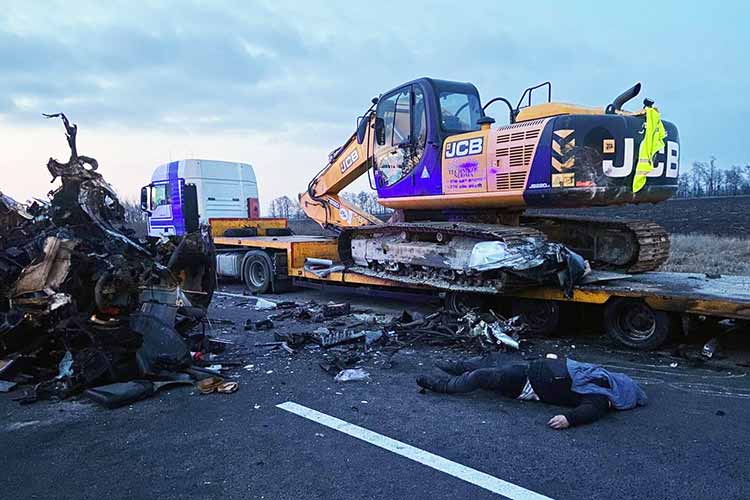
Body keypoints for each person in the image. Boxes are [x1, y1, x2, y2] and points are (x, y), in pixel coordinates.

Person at [416, 354, 647, 429]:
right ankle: (453, 366)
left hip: (528, 385)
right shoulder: (597, 374)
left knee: (481, 376)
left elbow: (590, 410)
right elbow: (567, 366)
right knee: (489, 361)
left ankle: (440, 385)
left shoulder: (600, 396)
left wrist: (568, 418)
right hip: (530, 369)